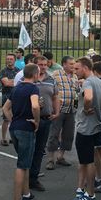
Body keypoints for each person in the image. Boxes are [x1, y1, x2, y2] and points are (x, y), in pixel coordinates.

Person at [2, 64, 40, 200]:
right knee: (22, 165)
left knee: (25, 161)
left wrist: (13, 120)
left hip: (15, 128)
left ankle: (26, 193)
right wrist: (36, 121)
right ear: (35, 74)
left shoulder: (16, 88)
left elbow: (5, 108)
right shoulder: (33, 89)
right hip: (26, 128)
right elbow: (35, 106)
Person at [71, 57, 101, 200]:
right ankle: (81, 188)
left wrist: (86, 109)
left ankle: (90, 193)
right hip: (97, 125)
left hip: (86, 128)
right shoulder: (99, 81)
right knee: (86, 160)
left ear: (85, 68)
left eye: (77, 69)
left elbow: (88, 98)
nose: (75, 72)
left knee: (88, 161)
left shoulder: (88, 82)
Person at [29, 56, 60, 191]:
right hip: (30, 120)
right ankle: (26, 176)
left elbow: (55, 96)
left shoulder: (51, 79)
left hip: (46, 119)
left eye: (45, 65)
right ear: (35, 66)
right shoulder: (30, 80)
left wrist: (57, 111)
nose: (42, 67)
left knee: (40, 150)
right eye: (40, 65)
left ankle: (33, 178)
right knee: (29, 149)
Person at [46, 56, 78, 169]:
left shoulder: (75, 76)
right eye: (71, 64)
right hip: (59, 110)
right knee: (54, 133)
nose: (73, 66)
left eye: (74, 64)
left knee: (68, 134)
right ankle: (50, 159)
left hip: (71, 110)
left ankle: (61, 156)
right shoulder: (55, 74)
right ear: (64, 64)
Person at [0, 53, 20, 146]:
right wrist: (13, 81)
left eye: (11, 59)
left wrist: (11, 81)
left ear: (14, 60)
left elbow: (20, 83)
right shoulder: (3, 71)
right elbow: (6, 83)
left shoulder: (18, 71)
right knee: (6, 118)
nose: (9, 60)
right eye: (7, 59)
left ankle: (13, 137)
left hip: (17, 97)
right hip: (6, 96)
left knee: (16, 117)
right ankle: (3, 138)